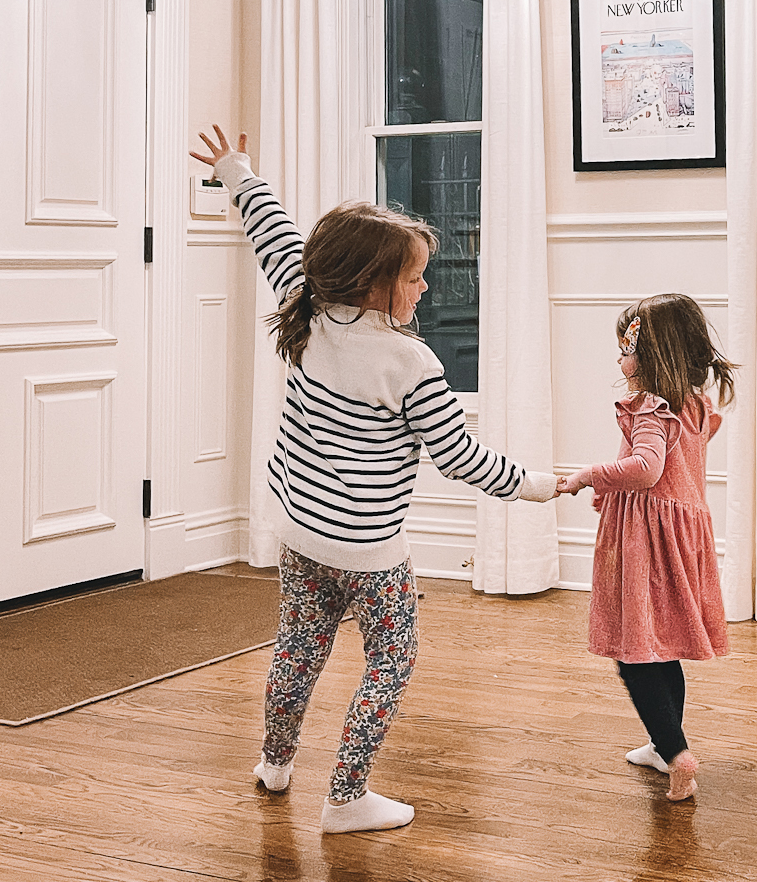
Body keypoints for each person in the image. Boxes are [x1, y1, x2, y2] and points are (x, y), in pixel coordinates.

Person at [189, 124, 557, 836]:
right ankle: (347, 796)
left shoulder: (309, 304)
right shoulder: (408, 363)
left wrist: (237, 171)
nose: (425, 287)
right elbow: (461, 459)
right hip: (369, 553)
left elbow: (271, 231)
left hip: (300, 533)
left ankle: (275, 763)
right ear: (372, 281)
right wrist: (541, 485)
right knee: (392, 662)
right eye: (416, 276)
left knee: (297, 650)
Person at [556, 296, 734, 804]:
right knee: (663, 644)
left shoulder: (649, 407)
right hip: (680, 536)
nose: (619, 360)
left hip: (645, 543)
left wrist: (591, 475)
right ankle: (663, 744)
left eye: (625, 349)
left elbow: (647, 469)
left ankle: (676, 755)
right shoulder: (694, 406)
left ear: (650, 354)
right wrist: (610, 489)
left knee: (634, 653)